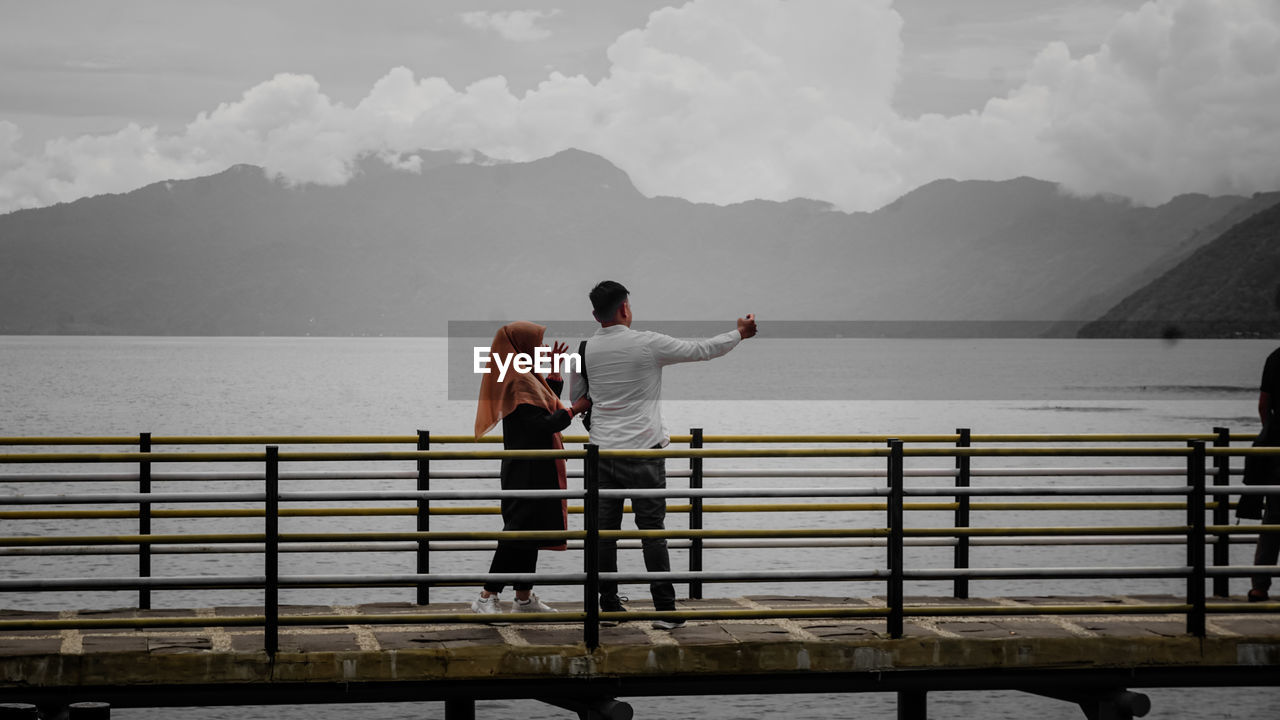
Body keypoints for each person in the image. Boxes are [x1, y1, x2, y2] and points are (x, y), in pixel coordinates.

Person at [569, 281, 757, 629]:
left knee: (604, 532)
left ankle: (608, 607)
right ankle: (665, 611)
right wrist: (740, 334)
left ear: (596, 314)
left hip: (600, 454)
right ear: (625, 308)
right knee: (652, 532)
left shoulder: (583, 350)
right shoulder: (647, 344)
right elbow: (701, 349)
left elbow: (578, 397)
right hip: (643, 454)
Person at [472, 321, 591, 616]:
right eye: (536, 343)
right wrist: (576, 408)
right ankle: (486, 597)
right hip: (526, 469)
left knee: (530, 532)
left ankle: (523, 599)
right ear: (521, 347)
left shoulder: (526, 377)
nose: (541, 347)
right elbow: (542, 424)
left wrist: (552, 374)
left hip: (535, 466)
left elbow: (543, 406)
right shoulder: (518, 381)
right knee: (517, 532)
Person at [1246, 341, 1280, 602]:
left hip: (1276, 449)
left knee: (1272, 519)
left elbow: (1263, 404)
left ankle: (1260, 585)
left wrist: (1270, 433)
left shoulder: (1275, 358)